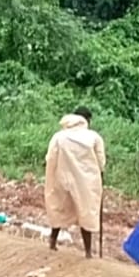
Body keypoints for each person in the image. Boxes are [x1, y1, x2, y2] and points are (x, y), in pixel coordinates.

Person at [44, 106, 106, 258]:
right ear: (88, 120)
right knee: (87, 212)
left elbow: (50, 158)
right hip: (87, 181)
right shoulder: (94, 137)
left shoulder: (59, 136)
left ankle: (52, 241)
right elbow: (101, 162)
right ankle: (88, 252)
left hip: (62, 177)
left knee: (59, 207)